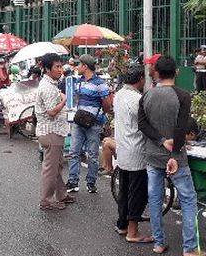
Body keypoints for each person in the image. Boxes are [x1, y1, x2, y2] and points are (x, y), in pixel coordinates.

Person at [138, 55, 206, 256]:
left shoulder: (146, 96)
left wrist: (161, 140)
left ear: (155, 72)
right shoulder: (182, 95)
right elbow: (181, 127)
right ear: (177, 72)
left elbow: (142, 125)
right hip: (177, 157)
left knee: (154, 198)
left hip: (153, 155)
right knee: (189, 199)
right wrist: (173, 152)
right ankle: (189, 247)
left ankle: (158, 242)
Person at [113, 64, 152, 243]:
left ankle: (122, 224)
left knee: (124, 190)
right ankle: (133, 232)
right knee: (137, 192)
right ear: (140, 79)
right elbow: (146, 123)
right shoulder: (136, 100)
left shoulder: (119, 94)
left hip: (122, 149)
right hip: (136, 151)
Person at [67, 54, 112, 194]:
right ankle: (73, 181)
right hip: (79, 121)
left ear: (85, 66)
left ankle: (91, 182)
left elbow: (107, 103)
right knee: (74, 152)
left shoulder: (100, 83)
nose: (77, 67)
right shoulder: (79, 81)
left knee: (92, 154)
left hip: (94, 123)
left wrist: (99, 116)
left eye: (79, 65)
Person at [35, 52, 74, 210]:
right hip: (51, 131)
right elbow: (51, 111)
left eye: (60, 66)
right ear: (47, 69)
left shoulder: (50, 84)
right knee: (51, 168)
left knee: (57, 166)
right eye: (57, 67)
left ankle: (61, 194)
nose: (60, 70)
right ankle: (46, 199)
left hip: (53, 130)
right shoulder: (48, 88)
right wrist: (64, 100)